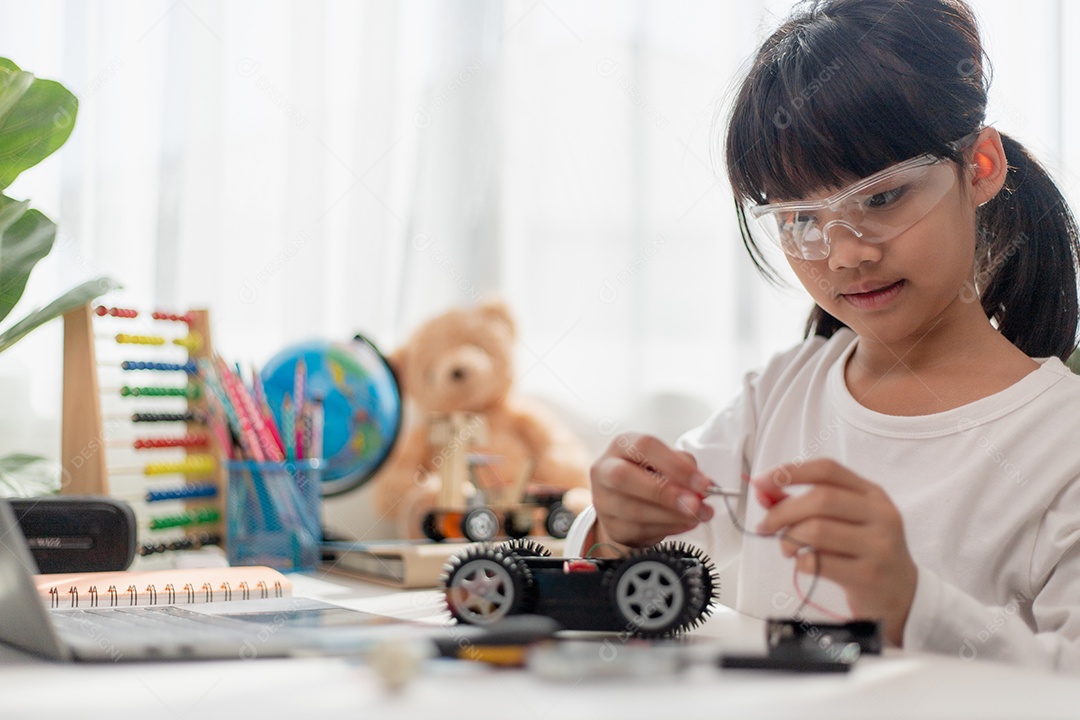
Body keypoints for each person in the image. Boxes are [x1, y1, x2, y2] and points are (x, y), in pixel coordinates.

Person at [566, 0, 1080, 671]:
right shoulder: (778, 395)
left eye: (881, 198)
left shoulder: (1059, 445)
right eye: (801, 217)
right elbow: (624, 583)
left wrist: (913, 603)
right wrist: (614, 525)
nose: (844, 256)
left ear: (980, 167)